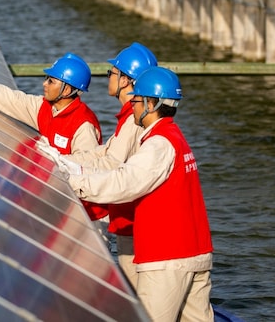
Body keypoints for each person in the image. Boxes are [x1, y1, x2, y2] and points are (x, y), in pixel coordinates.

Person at [66, 66, 214, 322]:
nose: (132, 105)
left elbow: (125, 183)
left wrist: (74, 183)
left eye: (136, 100)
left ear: (151, 103)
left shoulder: (158, 144)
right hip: (195, 252)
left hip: (166, 257)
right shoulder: (175, 137)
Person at [39, 42, 157, 290]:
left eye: (112, 73)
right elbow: (103, 152)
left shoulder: (133, 121)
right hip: (129, 220)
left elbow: (109, 162)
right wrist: (63, 160)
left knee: (140, 296)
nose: (108, 77)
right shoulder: (132, 117)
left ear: (126, 80)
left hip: (134, 222)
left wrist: (68, 171)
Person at [0, 52, 107, 220]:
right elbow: (9, 98)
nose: (44, 84)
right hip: (62, 203)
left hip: (89, 215)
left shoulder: (83, 125)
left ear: (67, 89)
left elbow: (89, 169)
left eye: (51, 81)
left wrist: (58, 159)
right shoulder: (45, 108)